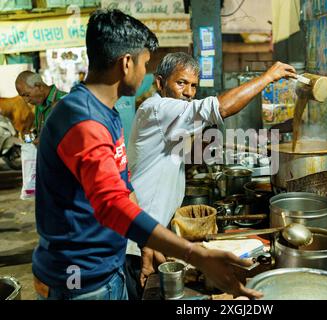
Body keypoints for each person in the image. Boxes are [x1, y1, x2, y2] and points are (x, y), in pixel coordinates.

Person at [33, 9, 261, 300]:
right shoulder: (83, 121)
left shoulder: (106, 114)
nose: (145, 73)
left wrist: (147, 245)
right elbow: (112, 205)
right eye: (145, 63)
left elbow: (124, 186)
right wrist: (196, 255)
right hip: (79, 278)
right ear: (127, 63)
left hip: (108, 264)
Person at [126, 52, 297, 293]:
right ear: (160, 82)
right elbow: (222, 108)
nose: (188, 92)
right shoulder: (158, 108)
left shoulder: (169, 116)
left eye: (194, 86)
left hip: (151, 234)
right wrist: (269, 76)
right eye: (181, 83)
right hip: (136, 240)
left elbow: (191, 154)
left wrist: (209, 134)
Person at [15, 71, 66, 144]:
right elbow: (41, 131)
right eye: (22, 96)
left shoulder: (64, 100)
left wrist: (44, 139)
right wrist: (31, 135)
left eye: (27, 95)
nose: (26, 101)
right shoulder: (39, 104)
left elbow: (67, 133)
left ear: (39, 86)